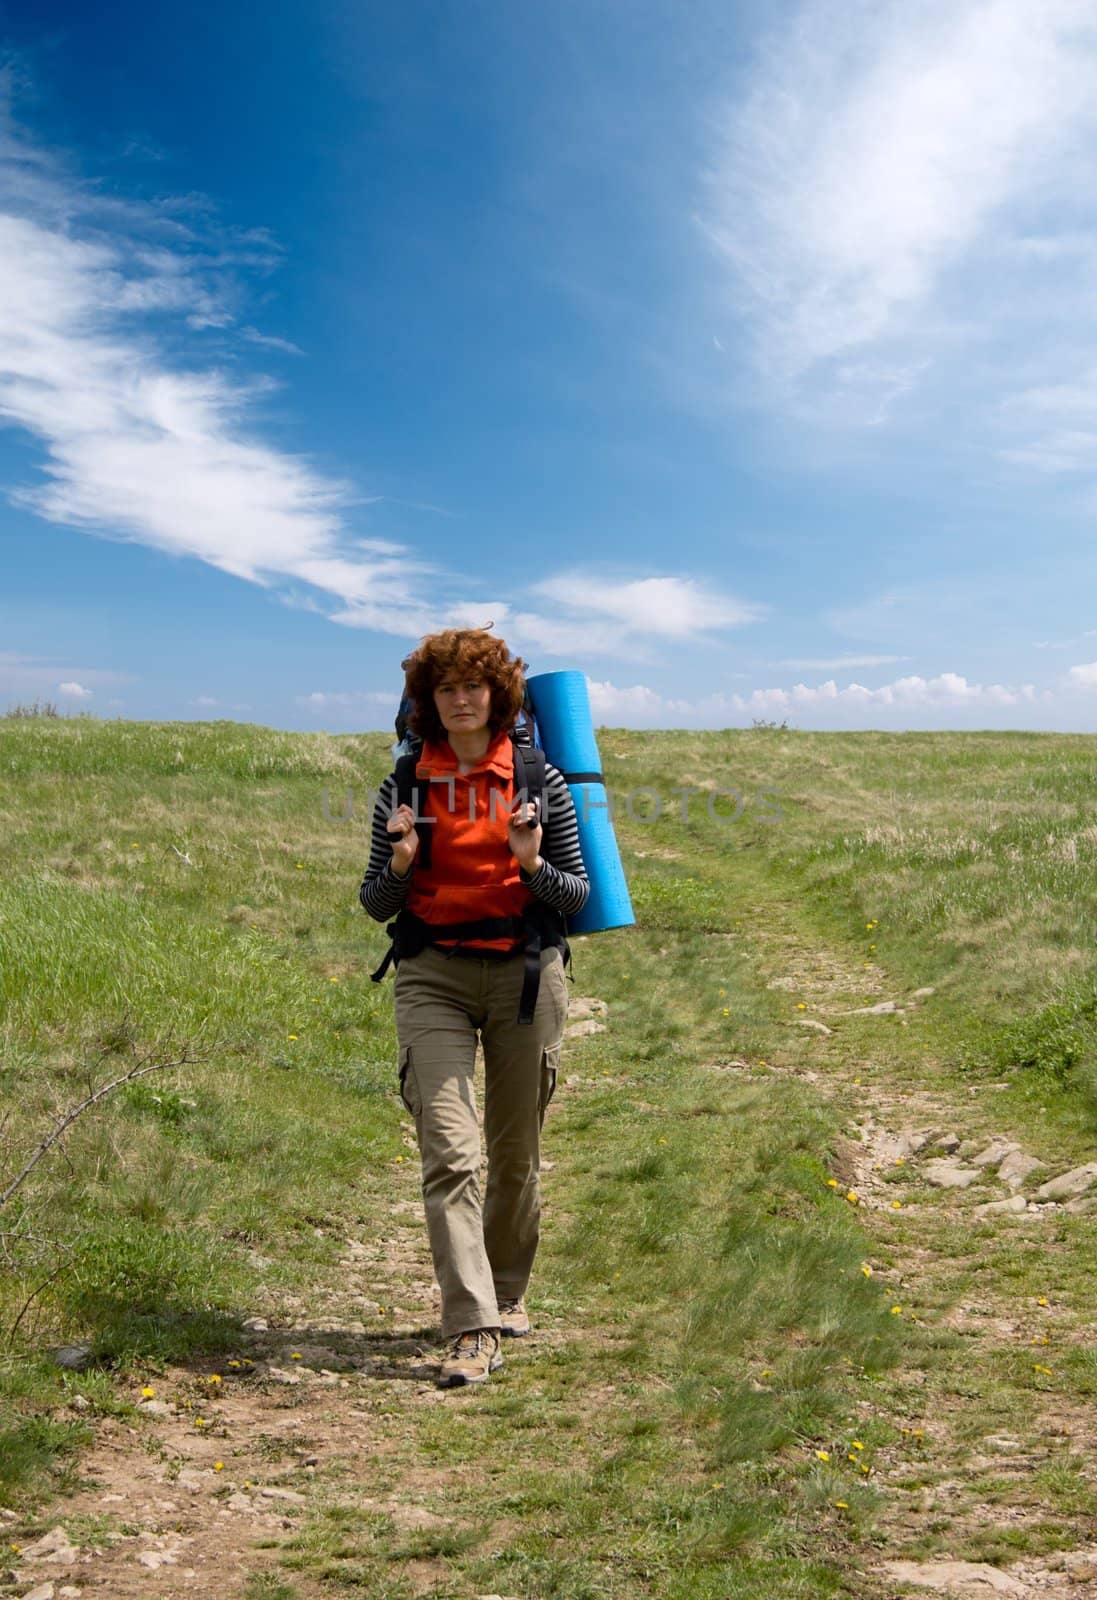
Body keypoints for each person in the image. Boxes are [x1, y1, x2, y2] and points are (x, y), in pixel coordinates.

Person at [360, 629, 589, 1388]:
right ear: (426, 702)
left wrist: (529, 864)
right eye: (444, 689)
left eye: (472, 686)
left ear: (497, 696)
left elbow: (576, 894)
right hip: (432, 978)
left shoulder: (538, 780)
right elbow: (374, 904)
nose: (459, 700)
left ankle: (509, 1288)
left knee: (515, 1155)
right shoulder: (403, 785)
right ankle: (471, 1326)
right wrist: (399, 864)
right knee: (451, 1155)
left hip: (525, 974)